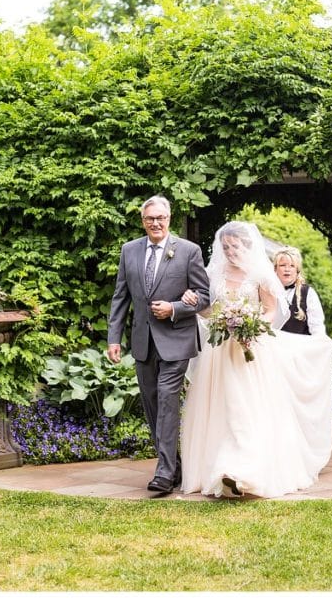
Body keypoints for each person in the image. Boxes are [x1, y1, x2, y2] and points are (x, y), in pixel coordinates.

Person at [179, 221, 332, 499]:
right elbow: (209, 311)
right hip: (220, 354)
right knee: (221, 409)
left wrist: (250, 327)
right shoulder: (214, 274)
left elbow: (270, 311)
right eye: (225, 247)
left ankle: (243, 472)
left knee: (247, 409)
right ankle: (218, 470)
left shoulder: (260, 274)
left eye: (234, 246)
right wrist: (194, 303)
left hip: (251, 351)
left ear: (246, 245)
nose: (229, 251)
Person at [107, 195, 210, 495]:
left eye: (160, 218)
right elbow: (120, 297)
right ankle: (173, 464)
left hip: (177, 340)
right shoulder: (129, 251)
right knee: (152, 404)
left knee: (166, 399)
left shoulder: (188, 251)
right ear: (143, 221)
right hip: (142, 342)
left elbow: (204, 297)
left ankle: (164, 473)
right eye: (150, 218)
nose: (155, 223)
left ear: (169, 219)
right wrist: (114, 337)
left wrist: (175, 308)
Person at [273, 246, 326, 336]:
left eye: (292, 266)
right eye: (282, 265)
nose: (287, 269)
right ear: (275, 269)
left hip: (300, 348)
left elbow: (317, 329)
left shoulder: (308, 293)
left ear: (297, 271)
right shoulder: (267, 291)